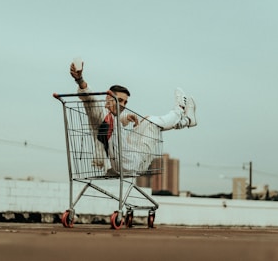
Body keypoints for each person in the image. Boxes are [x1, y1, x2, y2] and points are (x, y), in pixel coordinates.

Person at [69, 61, 197, 176]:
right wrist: (80, 80)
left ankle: (187, 121)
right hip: (130, 164)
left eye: (125, 102)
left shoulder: (110, 117)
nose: (123, 106)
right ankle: (180, 109)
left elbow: (112, 123)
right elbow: (90, 99)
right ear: (108, 98)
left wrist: (125, 118)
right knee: (152, 122)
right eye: (119, 100)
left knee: (147, 120)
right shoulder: (98, 112)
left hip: (125, 156)